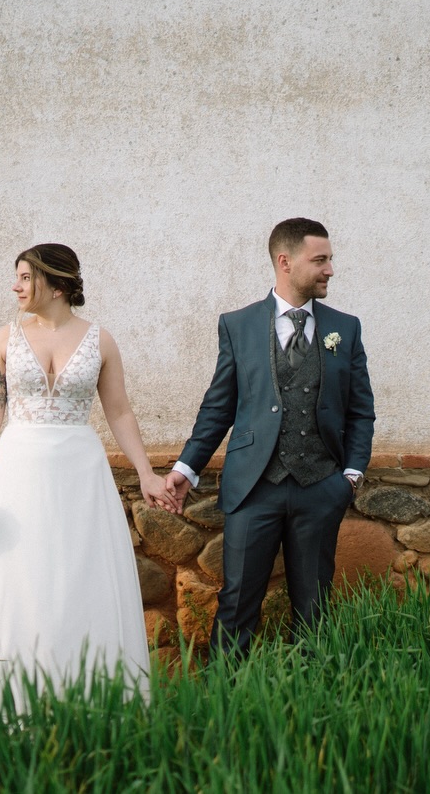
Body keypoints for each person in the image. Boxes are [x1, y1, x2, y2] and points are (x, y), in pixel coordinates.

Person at [0, 243, 176, 703]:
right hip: (17, 472)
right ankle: (8, 698)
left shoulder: (100, 340)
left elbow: (119, 412)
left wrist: (147, 473)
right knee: (20, 577)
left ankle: (87, 697)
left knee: (78, 576)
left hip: (80, 473)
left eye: (25, 277)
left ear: (56, 284)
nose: (16, 286)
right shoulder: (4, 339)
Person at [163, 218, 375, 659]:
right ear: (285, 261)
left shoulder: (345, 328)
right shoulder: (237, 325)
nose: (330, 269)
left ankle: (315, 703)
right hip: (253, 488)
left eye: (330, 259)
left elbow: (360, 409)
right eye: (320, 260)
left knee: (314, 607)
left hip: (321, 487)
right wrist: (187, 467)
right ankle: (227, 702)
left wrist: (350, 476)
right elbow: (219, 406)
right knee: (237, 602)